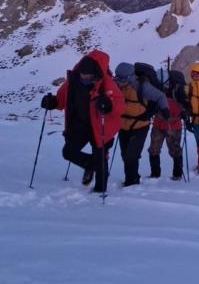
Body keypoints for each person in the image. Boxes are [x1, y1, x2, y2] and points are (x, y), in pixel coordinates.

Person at [40, 50, 124, 193]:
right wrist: (52, 102)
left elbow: (120, 107)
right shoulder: (73, 81)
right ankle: (90, 164)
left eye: (87, 76)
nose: (84, 78)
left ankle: (100, 191)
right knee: (68, 152)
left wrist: (108, 105)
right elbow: (61, 99)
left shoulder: (107, 84)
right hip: (80, 124)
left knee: (100, 155)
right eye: (82, 75)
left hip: (101, 127)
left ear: (95, 74)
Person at [114, 62, 169, 186]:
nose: (119, 81)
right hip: (123, 125)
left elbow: (160, 96)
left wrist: (165, 109)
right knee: (125, 155)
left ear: (130, 77)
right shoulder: (116, 85)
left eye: (123, 79)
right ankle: (132, 178)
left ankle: (131, 182)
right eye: (118, 78)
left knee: (131, 155)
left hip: (140, 125)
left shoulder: (142, 86)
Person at [148, 73, 186, 181]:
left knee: (167, 149)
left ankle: (159, 174)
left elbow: (185, 104)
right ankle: (174, 174)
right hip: (166, 123)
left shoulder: (177, 91)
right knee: (159, 149)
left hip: (168, 123)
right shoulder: (158, 90)